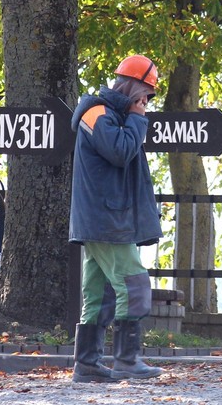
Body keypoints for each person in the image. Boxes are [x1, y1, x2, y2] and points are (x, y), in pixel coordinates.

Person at [69, 54, 164, 383]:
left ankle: (87, 364)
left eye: (148, 99)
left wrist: (133, 117)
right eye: (144, 95)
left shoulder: (112, 116)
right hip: (105, 220)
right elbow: (121, 152)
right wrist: (138, 119)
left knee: (99, 293)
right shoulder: (97, 114)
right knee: (134, 283)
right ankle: (126, 360)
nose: (145, 103)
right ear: (132, 86)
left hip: (102, 219)